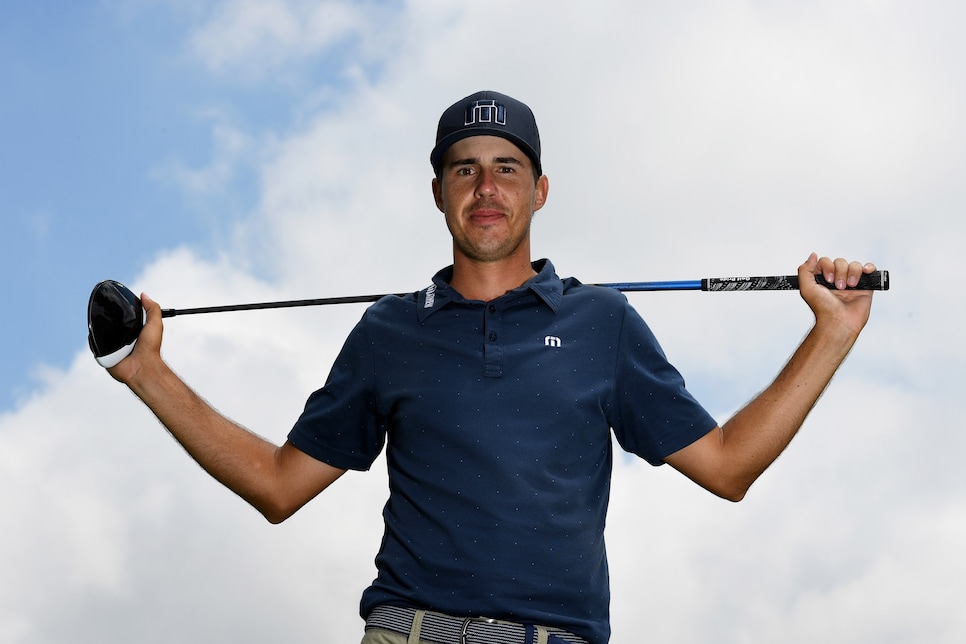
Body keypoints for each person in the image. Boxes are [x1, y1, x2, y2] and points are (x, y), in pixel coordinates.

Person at [106, 90, 877, 644]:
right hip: (408, 631)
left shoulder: (602, 325)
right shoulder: (388, 331)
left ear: (539, 191)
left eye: (507, 169)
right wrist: (148, 373)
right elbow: (279, 486)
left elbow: (728, 467)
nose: (486, 188)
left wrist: (831, 335)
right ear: (438, 191)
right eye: (465, 169)